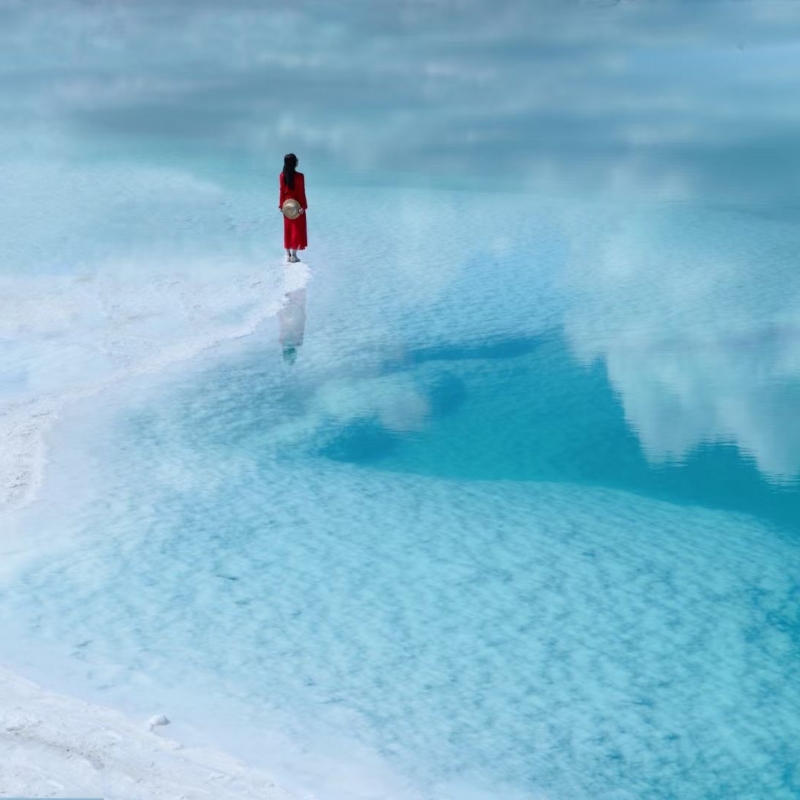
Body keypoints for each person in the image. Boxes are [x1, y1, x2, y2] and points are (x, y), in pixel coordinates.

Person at [279, 153, 308, 262]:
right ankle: (294, 255)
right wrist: (303, 207)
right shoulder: (300, 176)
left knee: (288, 229)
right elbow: (301, 192)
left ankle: (287, 254)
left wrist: (281, 205)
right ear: (294, 163)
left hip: (287, 205)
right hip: (297, 204)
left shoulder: (282, 176)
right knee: (296, 230)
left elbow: (282, 191)